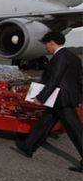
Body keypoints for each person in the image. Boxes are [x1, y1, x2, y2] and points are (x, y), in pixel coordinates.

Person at [15, 31, 83, 173]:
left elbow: (54, 80)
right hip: (63, 99)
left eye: (46, 44)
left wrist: (41, 97)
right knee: (45, 123)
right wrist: (79, 98)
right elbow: (80, 81)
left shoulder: (60, 57)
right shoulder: (74, 57)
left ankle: (28, 146)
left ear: (52, 42)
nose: (46, 48)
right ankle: (28, 147)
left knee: (75, 131)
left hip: (61, 100)